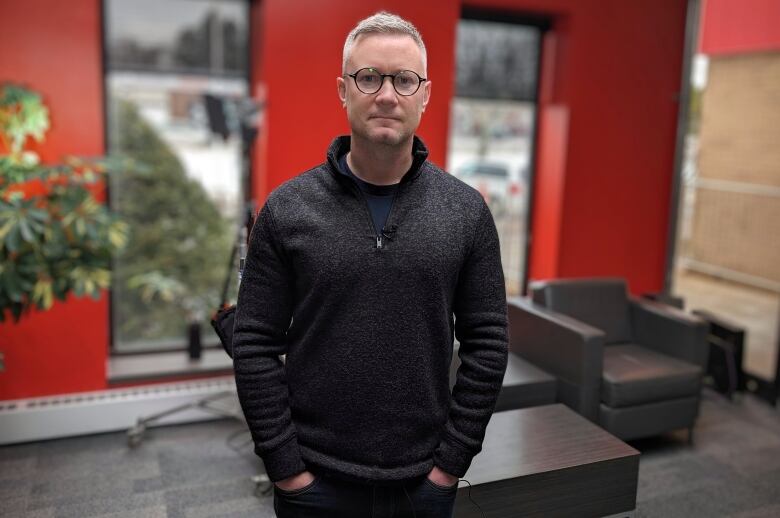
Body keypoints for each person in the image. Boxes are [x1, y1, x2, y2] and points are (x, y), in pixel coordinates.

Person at [232, 11, 508, 518]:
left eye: (405, 80)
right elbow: (253, 344)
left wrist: (451, 463)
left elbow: (487, 344)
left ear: (425, 94)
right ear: (343, 90)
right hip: (313, 485)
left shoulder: (466, 212)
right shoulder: (287, 209)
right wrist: (286, 467)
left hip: (422, 485)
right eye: (369, 77)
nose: (386, 95)